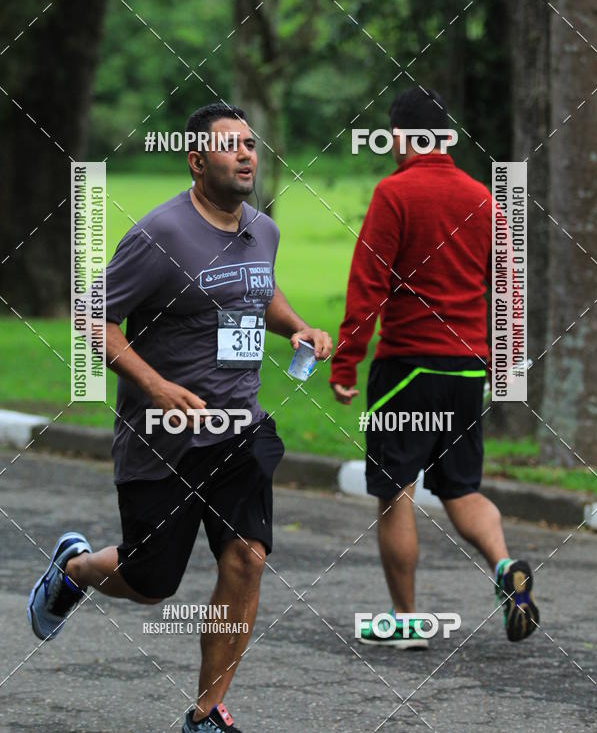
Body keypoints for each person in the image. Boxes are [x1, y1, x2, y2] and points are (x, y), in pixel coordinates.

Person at [28, 102, 332, 732]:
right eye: (231, 146)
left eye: (251, 144)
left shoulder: (261, 229)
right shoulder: (160, 235)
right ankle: (75, 570)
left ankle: (206, 714)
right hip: (162, 438)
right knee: (151, 581)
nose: (247, 154)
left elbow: (259, 287)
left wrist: (297, 326)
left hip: (240, 429)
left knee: (247, 558)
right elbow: (92, 318)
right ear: (196, 162)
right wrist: (156, 385)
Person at [329, 86, 538, 649]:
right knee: (462, 488)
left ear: (401, 137)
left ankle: (406, 621)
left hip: (408, 370)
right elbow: (506, 289)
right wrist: (501, 363)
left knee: (396, 492)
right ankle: (505, 566)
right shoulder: (483, 199)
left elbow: (367, 287)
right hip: (467, 371)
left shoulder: (395, 194)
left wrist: (345, 363)